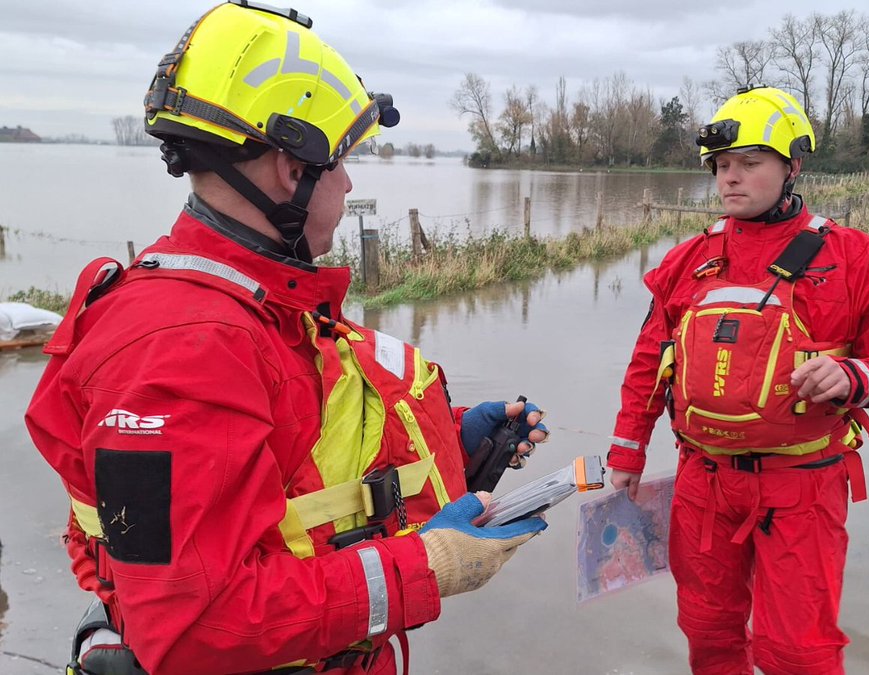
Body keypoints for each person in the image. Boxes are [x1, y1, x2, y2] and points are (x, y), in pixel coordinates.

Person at [24, 3, 549, 673]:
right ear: (290, 169)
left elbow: (300, 466)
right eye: (343, 163)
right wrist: (427, 564)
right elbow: (196, 628)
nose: (352, 183)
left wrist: (448, 442)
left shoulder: (258, 307)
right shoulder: (181, 350)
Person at [605, 86, 869, 675]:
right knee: (708, 633)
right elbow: (649, 362)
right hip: (701, 484)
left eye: (750, 164)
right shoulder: (688, 261)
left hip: (801, 489)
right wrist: (628, 450)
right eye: (723, 167)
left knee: (797, 653)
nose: (731, 179)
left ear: (793, 167)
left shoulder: (856, 258)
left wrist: (853, 375)